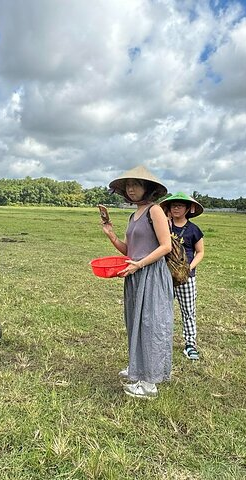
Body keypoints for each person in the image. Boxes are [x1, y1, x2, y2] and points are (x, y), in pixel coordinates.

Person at [102, 165, 174, 399]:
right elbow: (130, 250)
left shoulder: (155, 211)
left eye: (136, 184)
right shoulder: (134, 215)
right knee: (135, 322)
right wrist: (111, 234)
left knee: (151, 324)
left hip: (151, 274)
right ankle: (138, 368)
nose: (131, 189)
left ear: (148, 188)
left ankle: (150, 383)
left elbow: (166, 246)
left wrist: (139, 265)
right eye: (128, 186)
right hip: (135, 274)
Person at [159, 192, 205, 361]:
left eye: (180, 205)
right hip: (164, 277)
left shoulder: (194, 230)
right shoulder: (162, 226)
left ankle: (190, 344)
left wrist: (188, 268)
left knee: (188, 311)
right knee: (162, 310)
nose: (176, 208)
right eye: (173, 205)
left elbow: (200, 252)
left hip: (187, 278)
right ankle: (162, 342)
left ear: (188, 209)